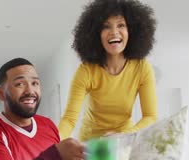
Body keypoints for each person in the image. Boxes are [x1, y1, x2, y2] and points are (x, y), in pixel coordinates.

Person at [58, 0, 158, 141]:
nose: (114, 32)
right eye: (106, 27)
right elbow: (69, 119)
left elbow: (150, 116)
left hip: (124, 141)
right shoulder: (86, 71)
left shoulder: (142, 68)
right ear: (96, 34)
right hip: (91, 145)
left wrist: (124, 136)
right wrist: (53, 143)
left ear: (131, 31)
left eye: (121, 25)